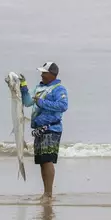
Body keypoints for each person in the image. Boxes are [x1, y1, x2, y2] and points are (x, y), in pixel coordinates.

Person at [19, 62, 69, 202]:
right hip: (39, 130)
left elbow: (63, 106)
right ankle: (46, 192)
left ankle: (48, 194)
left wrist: (42, 103)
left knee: (47, 160)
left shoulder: (59, 89)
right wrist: (23, 87)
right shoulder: (39, 87)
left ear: (52, 74)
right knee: (42, 161)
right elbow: (29, 102)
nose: (41, 75)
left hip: (52, 128)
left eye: (44, 72)